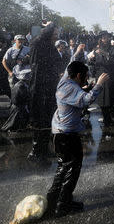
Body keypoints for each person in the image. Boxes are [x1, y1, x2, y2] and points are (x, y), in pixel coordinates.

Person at [46, 61, 108, 216]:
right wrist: (99, 84)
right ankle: (63, 204)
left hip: (61, 132)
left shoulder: (65, 80)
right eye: (85, 77)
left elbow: (71, 67)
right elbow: (86, 100)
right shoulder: (69, 87)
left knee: (63, 168)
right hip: (66, 134)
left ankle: (54, 199)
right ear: (78, 75)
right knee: (72, 169)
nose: (86, 80)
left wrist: (78, 53)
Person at [28, 22, 63, 163]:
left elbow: (59, 62)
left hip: (50, 88)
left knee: (48, 118)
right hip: (39, 88)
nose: (56, 37)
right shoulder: (37, 43)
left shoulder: (50, 46)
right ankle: (36, 151)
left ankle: (44, 149)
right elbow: (36, 67)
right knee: (39, 119)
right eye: (54, 34)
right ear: (48, 33)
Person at [88, 31, 114, 127]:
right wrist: (91, 60)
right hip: (100, 77)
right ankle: (107, 120)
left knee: (111, 100)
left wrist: (104, 53)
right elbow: (92, 64)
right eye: (103, 37)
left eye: (106, 37)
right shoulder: (96, 50)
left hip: (110, 77)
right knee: (102, 100)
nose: (105, 39)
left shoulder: (113, 49)